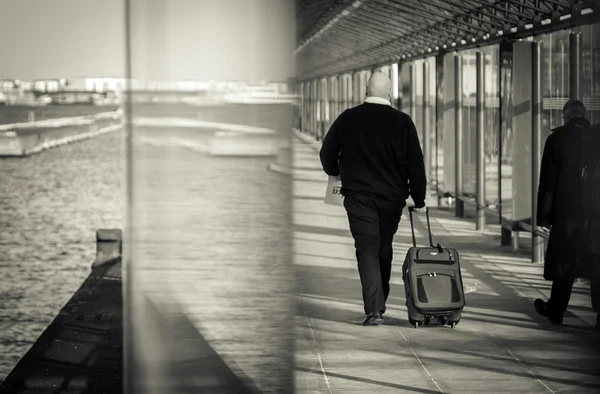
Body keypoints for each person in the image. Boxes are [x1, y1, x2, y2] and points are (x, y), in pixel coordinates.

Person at [319, 72, 427, 326]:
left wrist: (336, 171)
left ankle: (374, 307)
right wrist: (419, 200)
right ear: (390, 93)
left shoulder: (348, 118)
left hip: (358, 196)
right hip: (391, 199)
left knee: (366, 248)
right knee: (383, 247)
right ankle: (380, 298)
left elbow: (326, 154)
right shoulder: (403, 122)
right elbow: (415, 165)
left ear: (366, 91)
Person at [534, 99, 600, 331]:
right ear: (584, 116)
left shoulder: (556, 139)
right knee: (595, 261)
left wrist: (543, 218)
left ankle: (556, 310)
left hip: (567, 212)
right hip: (595, 214)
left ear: (565, 117)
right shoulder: (595, 138)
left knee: (564, 260)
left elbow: (548, 184)